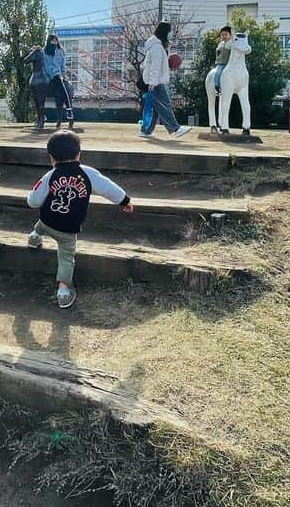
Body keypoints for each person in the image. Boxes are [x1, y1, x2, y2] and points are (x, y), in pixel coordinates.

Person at [26, 130, 133, 308]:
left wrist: (30, 199)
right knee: (66, 257)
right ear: (79, 154)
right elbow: (108, 187)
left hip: (47, 220)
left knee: (41, 225)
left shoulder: (50, 175)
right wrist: (125, 200)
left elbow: (35, 201)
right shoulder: (87, 174)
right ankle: (63, 291)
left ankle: (34, 237)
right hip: (68, 230)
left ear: (51, 158)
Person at [138, 21, 191, 139]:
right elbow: (155, 66)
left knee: (156, 108)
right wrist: (152, 83)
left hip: (156, 80)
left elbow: (158, 65)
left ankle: (145, 131)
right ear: (165, 32)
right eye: (170, 31)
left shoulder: (158, 45)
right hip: (156, 82)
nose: (171, 33)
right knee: (165, 104)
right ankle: (175, 129)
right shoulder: (157, 47)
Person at [41, 33, 73, 126]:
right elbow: (44, 65)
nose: (54, 42)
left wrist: (63, 75)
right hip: (49, 74)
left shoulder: (60, 51)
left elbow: (63, 65)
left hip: (59, 75)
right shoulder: (44, 51)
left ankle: (69, 109)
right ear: (48, 41)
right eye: (52, 40)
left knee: (63, 86)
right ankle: (41, 116)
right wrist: (49, 74)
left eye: (55, 40)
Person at [213, 25, 233, 94]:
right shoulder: (220, 44)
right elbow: (218, 53)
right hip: (221, 63)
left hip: (229, 63)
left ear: (230, 35)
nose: (224, 36)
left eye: (226, 34)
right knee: (218, 72)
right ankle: (217, 86)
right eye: (222, 35)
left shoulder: (231, 44)